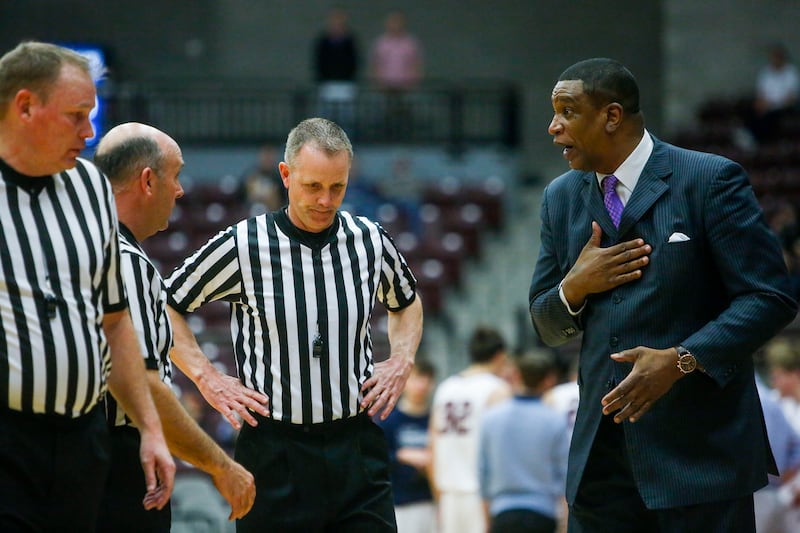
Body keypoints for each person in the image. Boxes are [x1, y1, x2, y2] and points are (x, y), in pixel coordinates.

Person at [528, 57, 798, 532]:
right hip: (600, 464)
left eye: (567, 111)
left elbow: (769, 296)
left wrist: (682, 359)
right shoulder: (560, 197)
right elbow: (546, 324)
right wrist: (574, 286)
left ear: (612, 116)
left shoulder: (709, 179)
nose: (553, 127)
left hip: (700, 458)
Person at [164, 117, 424, 531]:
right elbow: (164, 305)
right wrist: (206, 376)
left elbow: (406, 303)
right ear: (286, 175)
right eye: (313, 186)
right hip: (274, 451)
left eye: (336, 187)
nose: (325, 200)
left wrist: (402, 358)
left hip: (355, 447)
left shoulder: (370, 239)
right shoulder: (242, 245)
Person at [0, 41, 174, 530]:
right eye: (77, 115)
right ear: (25, 106)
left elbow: (116, 324)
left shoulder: (91, 188)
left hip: (83, 440)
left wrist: (150, 428)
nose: (90, 131)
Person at [92, 122, 256, 531]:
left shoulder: (82, 244)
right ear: (147, 181)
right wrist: (221, 466)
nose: (181, 190)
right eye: (176, 174)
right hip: (117, 459)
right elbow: (141, 386)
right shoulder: (123, 260)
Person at [428, 326, 512, 533]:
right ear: (500, 356)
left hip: (448, 492)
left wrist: (438, 495)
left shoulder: (445, 387)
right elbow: (502, 450)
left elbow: (432, 446)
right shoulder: (497, 389)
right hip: (481, 493)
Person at [478, 350, 569, 533]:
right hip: (542, 513)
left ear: (516, 375)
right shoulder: (555, 421)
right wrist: (564, 522)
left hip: (502, 513)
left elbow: (483, 474)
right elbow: (564, 475)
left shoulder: (491, 419)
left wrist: (487, 520)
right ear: (549, 379)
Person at [377, 358, 437, 533]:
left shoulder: (436, 418)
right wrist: (401, 456)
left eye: (427, 379)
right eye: (417, 378)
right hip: (401, 504)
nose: (422, 385)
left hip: (431, 501)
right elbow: (375, 460)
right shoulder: (389, 420)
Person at [368, 11, 424, 140]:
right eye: (392, 22)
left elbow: (415, 63)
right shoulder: (381, 43)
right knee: (385, 113)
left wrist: (414, 82)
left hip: (405, 86)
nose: (395, 25)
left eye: (397, 22)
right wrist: (377, 82)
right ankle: (385, 137)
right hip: (385, 86)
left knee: (404, 114)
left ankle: (405, 137)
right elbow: (376, 64)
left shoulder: (410, 43)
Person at [313, 7, 360, 133]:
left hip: (345, 83)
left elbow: (354, 61)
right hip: (328, 83)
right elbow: (319, 61)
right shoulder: (323, 41)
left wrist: (349, 77)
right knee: (325, 119)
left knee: (346, 118)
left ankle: (346, 143)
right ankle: (325, 143)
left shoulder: (350, 41)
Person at [747, 43, 800, 144]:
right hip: (767, 106)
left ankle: (766, 142)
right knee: (751, 112)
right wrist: (761, 105)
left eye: (777, 57)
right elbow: (760, 94)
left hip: (784, 107)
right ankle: (751, 139)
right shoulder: (766, 72)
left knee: (770, 117)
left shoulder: (791, 72)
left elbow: (791, 98)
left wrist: (772, 105)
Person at [240, 142, 286, 213]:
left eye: (270, 155)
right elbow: (242, 199)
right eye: (265, 155)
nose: (267, 159)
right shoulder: (250, 176)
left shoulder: (280, 178)